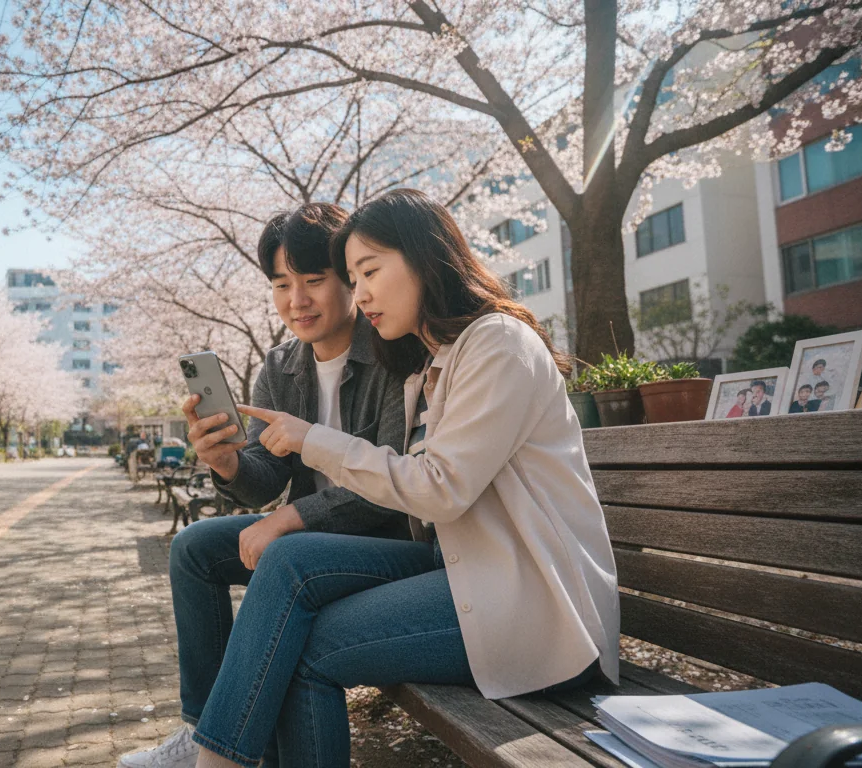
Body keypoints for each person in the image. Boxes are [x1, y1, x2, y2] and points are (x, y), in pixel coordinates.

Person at [179, 189, 619, 768]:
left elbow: (437, 487)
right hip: (462, 575)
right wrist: (228, 462)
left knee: (296, 615)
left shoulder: (498, 344)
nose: (360, 294)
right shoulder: (435, 362)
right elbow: (417, 486)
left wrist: (311, 442)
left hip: (534, 605)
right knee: (276, 595)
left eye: (367, 272)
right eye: (353, 275)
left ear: (423, 258)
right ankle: (214, 745)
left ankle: (215, 758)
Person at [117, 203, 410, 768]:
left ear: (349, 279)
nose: (295, 301)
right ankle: (202, 727)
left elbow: (394, 481)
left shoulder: (390, 354)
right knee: (193, 548)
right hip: (305, 540)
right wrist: (226, 462)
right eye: (281, 284)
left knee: (286, 557)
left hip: (386, 540)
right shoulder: (280, 367)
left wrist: (292, 518)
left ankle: (220, 750)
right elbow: (262, 483)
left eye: (313, 281)